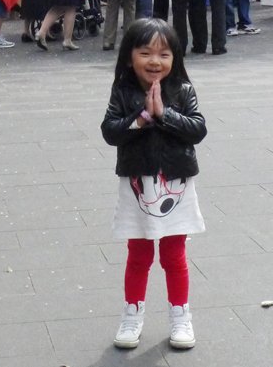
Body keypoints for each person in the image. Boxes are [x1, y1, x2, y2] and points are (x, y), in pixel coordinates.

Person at [101, 18, 206, 350]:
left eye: (164, 54)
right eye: (146, 53)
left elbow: (197, 130)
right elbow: (110, 131)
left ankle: (180, 315)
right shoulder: (123, 90)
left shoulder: (183, 90)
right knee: (139, 253)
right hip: (137, 183)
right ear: (130, 56)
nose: (155, 61)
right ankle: (132, 313)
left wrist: (164, 114)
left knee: (174, 254)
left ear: (175, 57)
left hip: (174, 183)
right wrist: (143, 117)